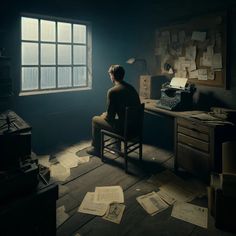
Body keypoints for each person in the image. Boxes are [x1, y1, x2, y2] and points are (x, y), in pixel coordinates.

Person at [87, 64, 141, 156]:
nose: (110, 77)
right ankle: (116, 147)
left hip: (124, 129)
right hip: (136, 128)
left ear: (112, 75)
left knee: (95, 119)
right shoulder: (131, 88)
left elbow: (110, 118)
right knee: (118, 119)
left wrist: (104, 115)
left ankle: (96, 149)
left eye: (110, 75)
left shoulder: (112, 91)